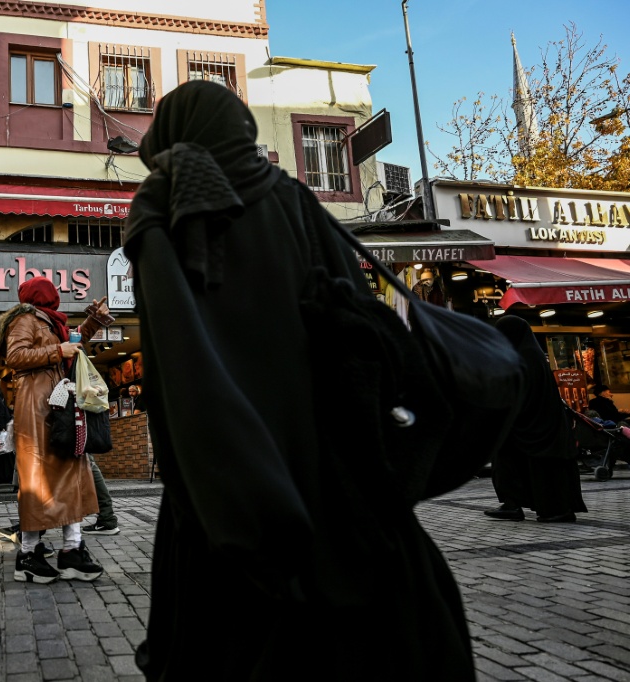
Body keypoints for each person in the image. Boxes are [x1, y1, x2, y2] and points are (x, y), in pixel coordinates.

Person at [122, 81, 476, 679]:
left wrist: (229, 492)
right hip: (335, 472)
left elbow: (181, 363)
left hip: (230, 487)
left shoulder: (167, 201)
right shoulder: (294, 198)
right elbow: (356, 320)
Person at [0, 276, 109, 583]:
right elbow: (15, 357)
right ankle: (28, 553)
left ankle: (72, 549)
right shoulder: (27, 319)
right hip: (37, 407)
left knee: (70, 472)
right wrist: (58, 352)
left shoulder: (50, 322)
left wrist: (94, 321)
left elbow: (72, 344)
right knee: (38, 480)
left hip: (57, 405)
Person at [484, 316, 587, 523]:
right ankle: (516, 504)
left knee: (521, 463)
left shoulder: (523, 358)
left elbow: (519, 393)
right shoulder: (532, 355)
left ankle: (546, 509)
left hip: (531, 425)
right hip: (538, 425)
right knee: (522, 464)